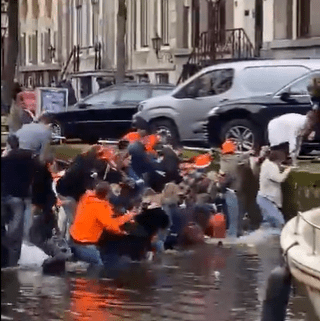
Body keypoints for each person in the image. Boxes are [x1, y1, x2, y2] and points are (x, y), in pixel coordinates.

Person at [69, 182, 135, 268]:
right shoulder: (100, 207)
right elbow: (110, 225)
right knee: (98, 267)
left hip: (73, 239)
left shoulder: (86, 198)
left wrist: (121, 214)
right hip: (85, 244)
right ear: (107, 195)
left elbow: (107, 211)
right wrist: (128, 219)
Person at [1, 135, 36, 267]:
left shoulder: (5, 160)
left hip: (4, 195)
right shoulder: (28, 159)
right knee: (16, 232)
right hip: (20, 197)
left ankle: (4, 258)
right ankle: (13, 262)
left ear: (8, 145)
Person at [256, 145, 292, 228]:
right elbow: (279, 178)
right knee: (280, 222)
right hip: (268, 199)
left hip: (263, 197)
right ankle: (258, 238)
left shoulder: (266, 163)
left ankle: (261, 238)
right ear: (278, 159)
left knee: (268, 223)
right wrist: (287, 171)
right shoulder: (272, 166)